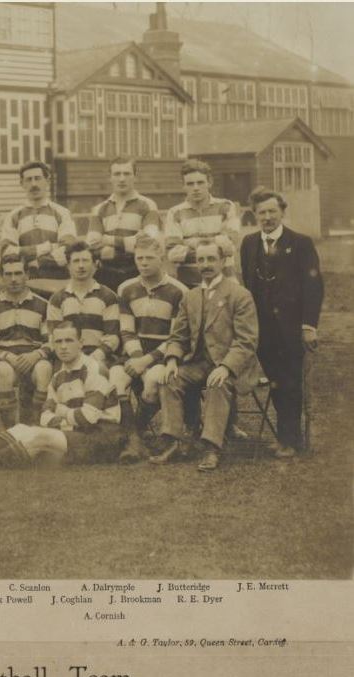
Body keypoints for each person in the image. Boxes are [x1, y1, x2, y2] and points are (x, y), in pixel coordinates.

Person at [0, 319, 123, 472]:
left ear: (81, 343)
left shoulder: (95, 369)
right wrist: (63, 418)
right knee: (23, 429)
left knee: (39, 437)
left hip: (103, 439)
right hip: (75, 434)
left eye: (69, 340)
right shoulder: (58, 375)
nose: (63, 347)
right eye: (58, 342)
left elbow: (87, 418)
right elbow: (45, 417)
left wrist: (60, 411)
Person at [150, 242, 262, 472]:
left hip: (232, 364)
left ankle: (212, 447)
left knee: (217, 383)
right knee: (169, 378)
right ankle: (172, 440)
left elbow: (247, 341)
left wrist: (226, 367)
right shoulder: (190, 296)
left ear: (222, 262)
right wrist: (171, 360)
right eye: (201, 260)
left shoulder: (239, 294)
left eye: (211, 259)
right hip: (199, 363)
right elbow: (178, 336)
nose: (206, 265)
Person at [240, 187, 324, 458]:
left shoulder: (300, 243)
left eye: (272, 211)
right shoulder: (249, 244)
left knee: (290, 382)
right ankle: (284, 437)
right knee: (275, 381)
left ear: (282, 212)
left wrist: (309, 326)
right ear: (254, 215)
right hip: (263, 329)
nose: (267, 217)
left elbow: (313, 286)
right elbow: (248, 286)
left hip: (291, 327)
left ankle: (291, 440)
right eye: (261, 212)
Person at [109, 234, 188, 462]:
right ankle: (132, 438)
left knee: (153, 380)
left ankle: (136, 433)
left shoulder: (178, 291)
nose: (143, 263)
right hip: (134, 353)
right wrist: (136, 358)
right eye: (139, 258)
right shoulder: (126, 288)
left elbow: (177, 336)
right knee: (116, 378)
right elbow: (126, 330)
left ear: (161, 258)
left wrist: (146, 362)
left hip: (164, 355)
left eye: (149, 258)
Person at [0, 254, 53, 428]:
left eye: (18, 273)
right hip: (6, 359)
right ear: (1, 276)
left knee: (44, 369)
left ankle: (35, 425)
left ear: (27, 275)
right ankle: (11, 430)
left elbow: (51, 341)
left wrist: (35, 355)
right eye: (8, 274)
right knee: (4, 371)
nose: (13, 279)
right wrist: (6, 356)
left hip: (35, 358)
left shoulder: (43, 305)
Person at [0, 161, 77, 298]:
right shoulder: (13, 216)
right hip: (26, 284)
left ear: (47, 181)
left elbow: (67, 251)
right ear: (22, 184)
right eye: (28, 180)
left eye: (38, 178)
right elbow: (7, 252)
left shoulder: (62, 213)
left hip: (58, 283)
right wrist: (48, 247)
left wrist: (37, 262)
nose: (34, 184)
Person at [86, 157, 161, 293]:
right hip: (106, 274)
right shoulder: (99, 209)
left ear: (135, 176)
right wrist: (130, 244)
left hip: (137, 273)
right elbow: (92, 246)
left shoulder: (148, 205)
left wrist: (108, 240)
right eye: (117, 174)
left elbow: (148, 244)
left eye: (126, 174)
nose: (122, 179)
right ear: (110, 177)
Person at [164, 159, 241, 288]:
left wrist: (190, 243)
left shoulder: (226, 207)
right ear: (183, 185)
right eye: (190, 184)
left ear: (209, 182)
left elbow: (229, 248)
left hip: (224, 282)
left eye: (200, 182)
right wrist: (215, 243)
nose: (195, 188)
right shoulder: (175, 213)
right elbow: (173, 254)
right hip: (189, 284)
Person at [46, 242, 121, 371]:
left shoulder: (108, 296)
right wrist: (72, 359)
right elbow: (54, 338)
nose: (80, 266)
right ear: (68, 266)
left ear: (95, 265)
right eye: (76, 261)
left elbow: (112, 337)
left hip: (99, 359)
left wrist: (92, 359)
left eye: (85, 261)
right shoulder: (57, 299)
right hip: (67, 358)